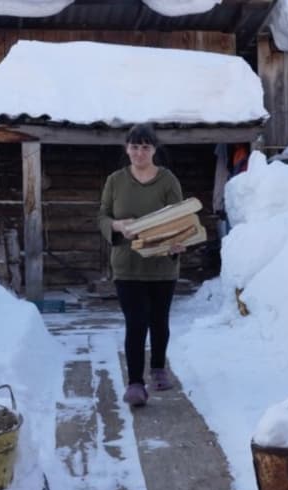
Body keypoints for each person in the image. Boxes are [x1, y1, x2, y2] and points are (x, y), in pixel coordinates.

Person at [98, 123, 185, 407]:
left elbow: (180, 218)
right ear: (127, 149)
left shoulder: (168, 180)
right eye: (134, 146)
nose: (139, 152)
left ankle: (158, 367)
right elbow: (102, 216)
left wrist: (178, 241)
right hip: (127, 266)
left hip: (162, 266)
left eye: (145, 147)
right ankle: (135, 383)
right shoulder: (115, 180)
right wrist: (115, 225)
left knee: (159, 321)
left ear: (154, 150)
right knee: (135, 323)